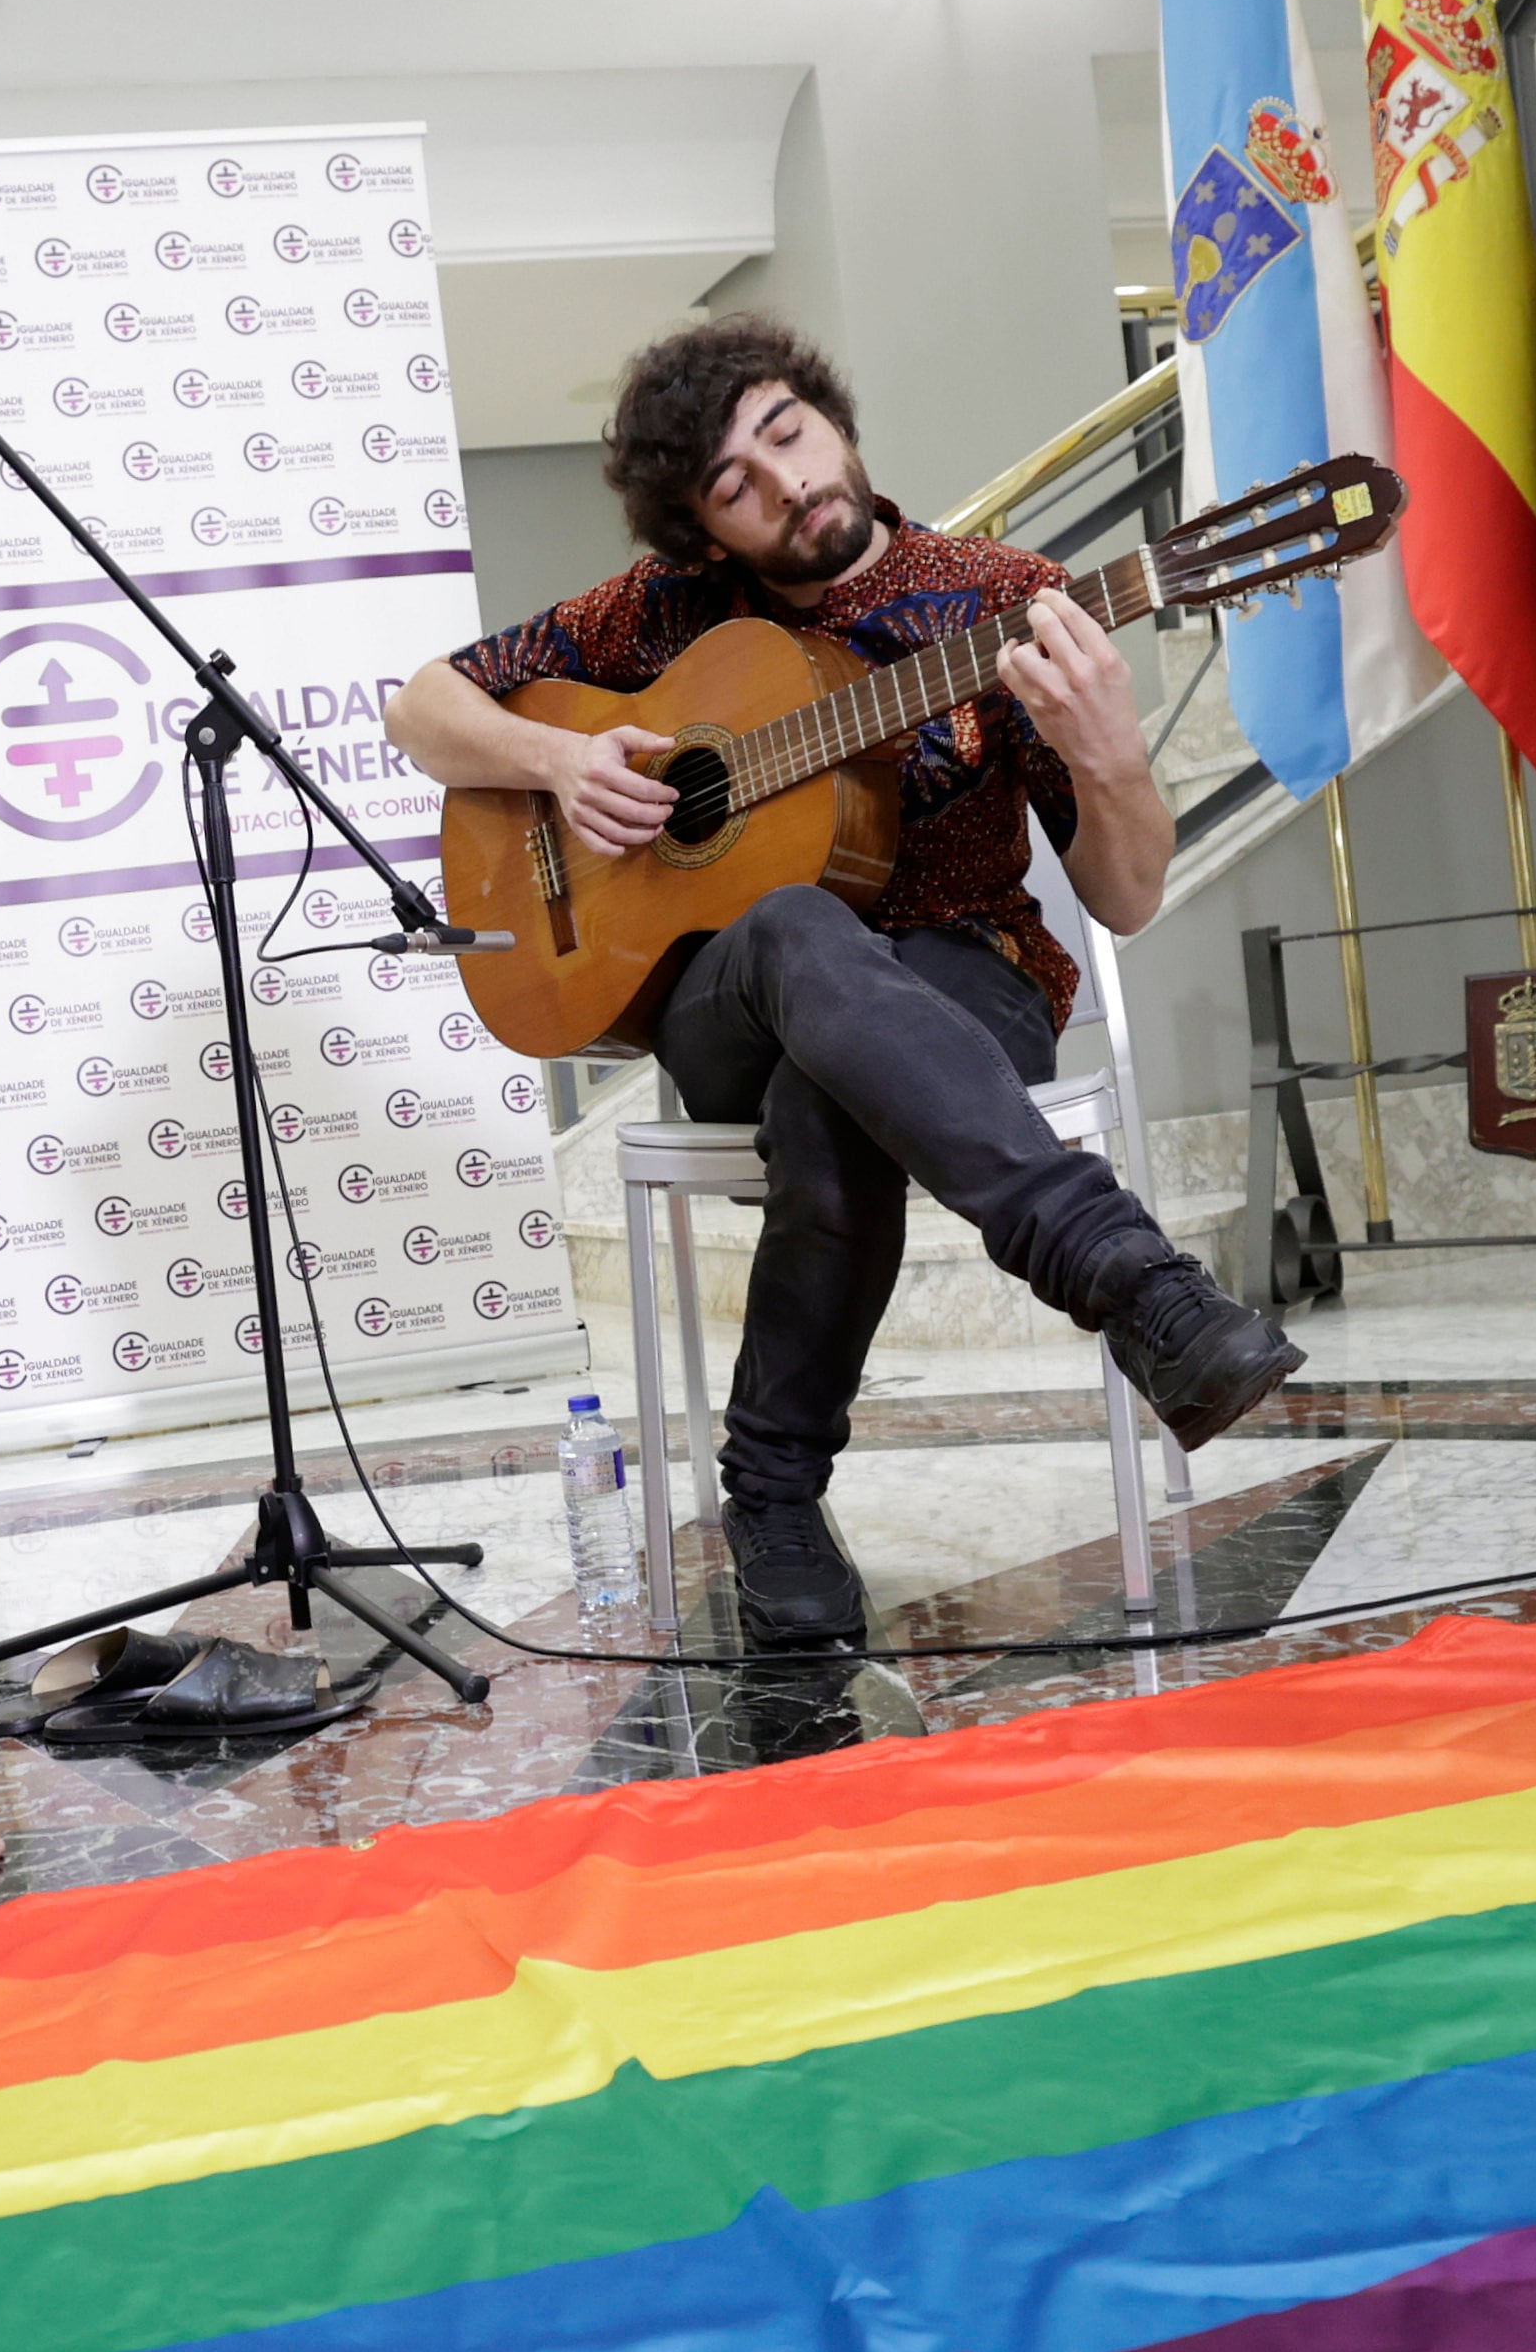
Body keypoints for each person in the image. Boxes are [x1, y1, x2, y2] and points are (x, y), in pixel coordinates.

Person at [381, 315, 1302, 1645]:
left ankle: (770, 1494)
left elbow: (1121, 898)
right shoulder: (668, 613)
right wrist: (560, 767)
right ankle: (1135, 1286)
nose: (784, 480)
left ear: (828, 416)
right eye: (732, 486)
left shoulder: (1000, 595)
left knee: (837, 1096)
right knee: (791, 925)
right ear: (702, 537)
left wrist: (1107, 756)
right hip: (724, 1002)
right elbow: (422, 709)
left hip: (965, 968)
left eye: (786, 433)